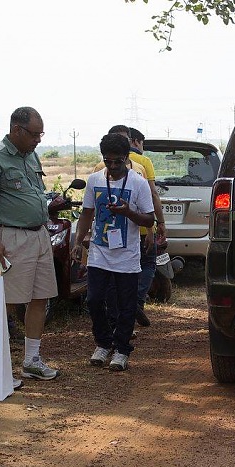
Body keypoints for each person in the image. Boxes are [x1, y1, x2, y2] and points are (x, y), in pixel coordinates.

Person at [0, 106, 59, 384]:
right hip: (11, 239)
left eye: (40, 133)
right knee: (7, 303)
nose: (38, 139)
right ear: (16, 130)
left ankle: (31, 360)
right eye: (34, 134)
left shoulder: (31, 155)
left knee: (40, 297)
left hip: (40, 235)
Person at [73, 133, 154, 371]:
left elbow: (148, 220)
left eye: (118, 161)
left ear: (127, 158)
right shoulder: (94, 180)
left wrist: (129, 213)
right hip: (100, 251)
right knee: (94, 300)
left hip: (127, 254)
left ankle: (121, 349)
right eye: (108, 161)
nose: (113, 166)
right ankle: (102, 343)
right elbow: (87, 213)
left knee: (126, 304)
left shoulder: (138, 183)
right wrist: (79, 241)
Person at [127, 127, 166, 327]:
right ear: (135, 141)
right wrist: (160, 223)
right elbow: (152, 194)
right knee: (148, 264)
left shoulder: (100, 165)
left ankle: (126, 305)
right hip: (142, 226)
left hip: (117, 231)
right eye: (142, 143)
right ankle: (137, 302)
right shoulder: (143, 163)